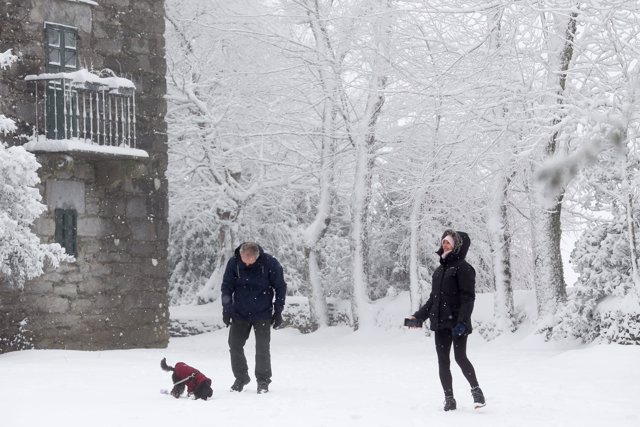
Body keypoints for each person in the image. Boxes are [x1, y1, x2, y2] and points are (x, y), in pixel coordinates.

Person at [406, 229, 485, 411]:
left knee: (460, 357)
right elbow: (433, 300)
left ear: (456, 245)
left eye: (448, 242)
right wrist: (417, 318)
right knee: (443, 361)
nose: (445, 245)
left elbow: (468, 298)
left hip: (457, 323)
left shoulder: (464, 268)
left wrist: (462, 321)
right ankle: (449, 399)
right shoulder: (438, 271)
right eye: (443, 242)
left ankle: (476, 391)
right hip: (440, 323)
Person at [221, 242, 287, 394]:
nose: (246, 261)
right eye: (244, 257)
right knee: (235, 345)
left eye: (249, 258)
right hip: (240, 312)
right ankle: (241, 378)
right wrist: (227, 310)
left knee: (262, 348)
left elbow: (280, 287)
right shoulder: (234, 263)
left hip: (262, 313)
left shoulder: (270, 263)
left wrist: (278, 311)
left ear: (257, 256)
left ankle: (263, 381)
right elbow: (226, 287)